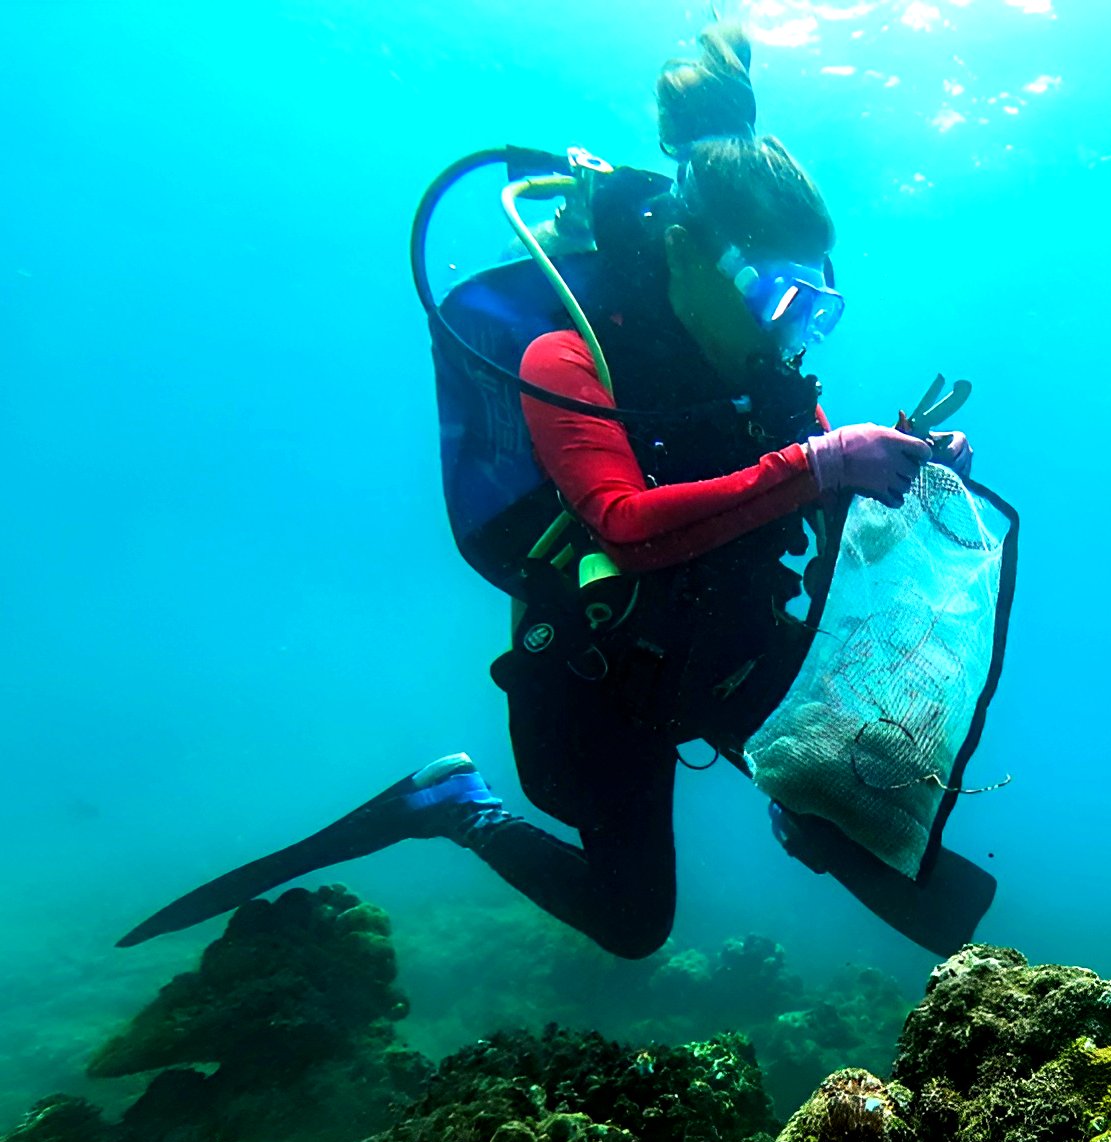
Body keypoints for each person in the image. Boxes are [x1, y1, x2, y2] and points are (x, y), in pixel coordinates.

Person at [118, 23, 986, 960]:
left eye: (815, 309)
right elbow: (625, 524)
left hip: (727, 641)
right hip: (605, 666)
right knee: (633, 923)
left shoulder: (767, 379)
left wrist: (906, 469)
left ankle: (805, 812)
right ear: (694, 255)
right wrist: (822, 464)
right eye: (778, 300)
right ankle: (453, 807)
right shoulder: (566, 353)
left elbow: (826, 499)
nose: (793, 334)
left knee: (867, 804)